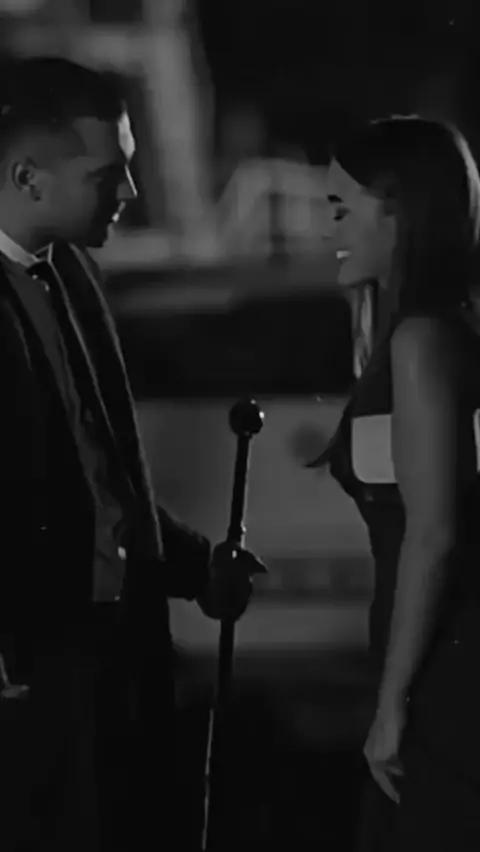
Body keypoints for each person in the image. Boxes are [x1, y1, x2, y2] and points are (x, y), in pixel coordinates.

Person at [0, 55, 265, 852]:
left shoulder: (74, 275)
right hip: (31, 669)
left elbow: (101, 473)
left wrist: (194, 565)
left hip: (112, 656)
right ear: (27, 177)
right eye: (107, 173)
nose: (131, 192)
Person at [311, 115, 480, 850]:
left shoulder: (424, 339)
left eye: (340, 208)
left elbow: (434, 534)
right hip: (432, 661)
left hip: (449, 667)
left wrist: (393, 704)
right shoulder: (417, 334)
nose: (328, 229)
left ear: (399, 211)